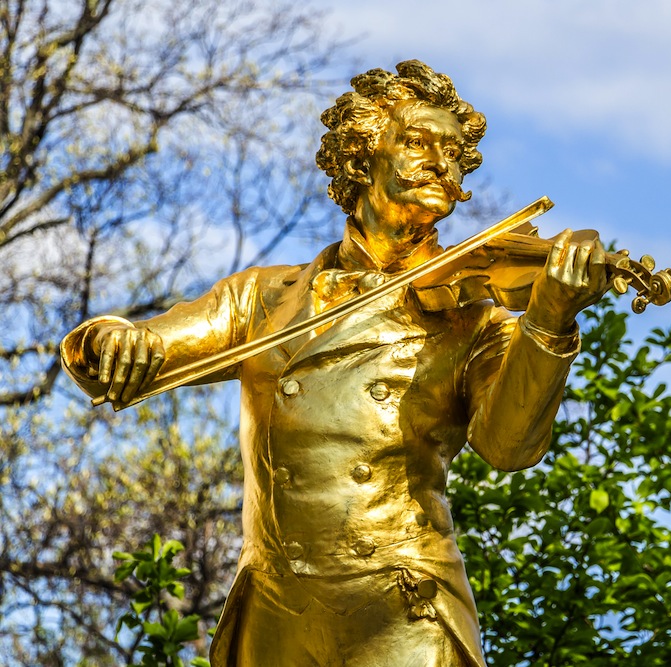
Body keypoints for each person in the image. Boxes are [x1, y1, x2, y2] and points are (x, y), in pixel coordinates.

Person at [61, 60, 608, 666]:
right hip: (276, 612)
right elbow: (149, 345)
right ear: (362, 154)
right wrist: (110, 341)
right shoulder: (263, 299)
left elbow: (509, 446)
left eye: (453, 152)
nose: (441, 163)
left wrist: (551, 318)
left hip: (403, 607)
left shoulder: (473, 318)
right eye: (419, 143)